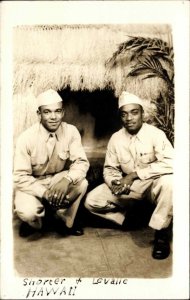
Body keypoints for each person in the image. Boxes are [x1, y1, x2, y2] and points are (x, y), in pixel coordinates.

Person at [85, 91, 173, 259]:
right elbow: (110, 169)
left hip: (152, 185)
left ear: (142, 114)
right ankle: (126, 220)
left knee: (171, 182)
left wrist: (133, 175)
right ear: (120, 117)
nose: (129, 118)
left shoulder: (155, 134)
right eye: (124, 114)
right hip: (129, 186)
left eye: (134, 112)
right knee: (91, 201)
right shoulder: (116, 139)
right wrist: (115, 183)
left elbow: (172, 163)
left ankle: (161, 233)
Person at [14, 89, 89, 237]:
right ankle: (34, 223)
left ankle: (65, 221)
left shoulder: (71, 131)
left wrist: (66, 180)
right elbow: (20, 176)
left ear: (63, 112)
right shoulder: (26, 138)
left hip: (57, 179)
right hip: (33, 182)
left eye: (57, 111)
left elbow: (81, 162)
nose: (53, 117)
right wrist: (44, 193)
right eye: (47, 112)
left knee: (82, 182)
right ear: (39, 114)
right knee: (28, 212)